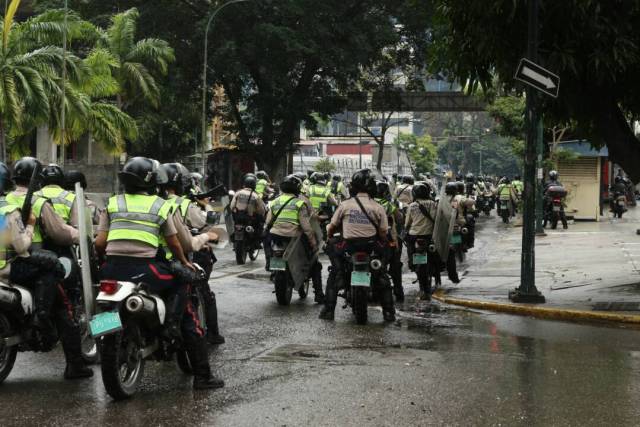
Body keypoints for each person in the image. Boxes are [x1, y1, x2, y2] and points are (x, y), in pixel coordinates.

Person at [95, 157, 224, 390]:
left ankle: (101, 340)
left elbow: (100, 242)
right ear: (153, 180)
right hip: (147, 270)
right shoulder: (160, 205)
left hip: (111, 269)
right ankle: (194, 363)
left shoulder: (113, 203)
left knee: (102, 306)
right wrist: (185, 263)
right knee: (183, 289)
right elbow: (176, 243)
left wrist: (105, 260)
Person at [1, 158, 92, 379]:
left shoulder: (5, 201)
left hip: (12, 262)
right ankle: (73, 363)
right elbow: (59, 232)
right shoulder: (39, 202)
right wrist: (83, 235)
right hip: (27, 262)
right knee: (64, 305)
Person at [163, 162, 226, 345]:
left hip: (136, 262)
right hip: (181, 254)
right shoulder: (184, 204)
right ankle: (211, 335)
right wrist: (206, 205)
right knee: (202, 291)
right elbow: (206, 224)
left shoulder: (146, 202)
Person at [319, 169, 395, 322]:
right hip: (371, 247)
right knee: (382, 275)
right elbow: (382, 232)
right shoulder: (378, 207)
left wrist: (329, 237)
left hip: (348, 247)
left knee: (335, 275)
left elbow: (332, 227)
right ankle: (388, 312)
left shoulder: (345, 205)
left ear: (353, 186)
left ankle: (328, 310)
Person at [264, 175, 320, 298]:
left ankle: (269, 262)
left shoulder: (275, 201)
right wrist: (314, 243)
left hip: (275, 237)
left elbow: (268, 223)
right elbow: (306, 228)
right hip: (293, 238)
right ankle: (319, 294)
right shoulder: (300, 203)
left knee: (267, 242)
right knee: (313, 260)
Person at [404, 182, 439, 300]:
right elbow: (436, 219)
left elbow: (407, 223)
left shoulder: (412, 206)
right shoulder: (433, 204)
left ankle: (413, 264)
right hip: (429, 236)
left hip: (414, 235)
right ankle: (437, 267)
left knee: (411, 250)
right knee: (435, 254)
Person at [374, 180, 404, 302]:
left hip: (367, 239)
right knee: (396, 264)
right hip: (386, 240)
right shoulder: (388, 205)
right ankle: (398, 290)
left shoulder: (367, 203)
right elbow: (399, 218)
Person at [230, 173, 267, 241]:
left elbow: (232, 206)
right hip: (250, 219)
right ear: (254, 185)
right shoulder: (255, 196)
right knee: (260, 223)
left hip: (237, 217)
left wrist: (235, 211)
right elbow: (261, 210)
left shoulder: (238, 193)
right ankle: (257, 239)